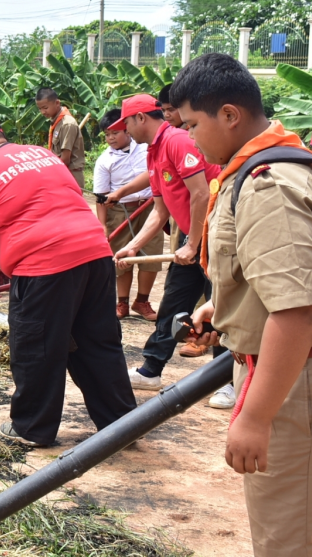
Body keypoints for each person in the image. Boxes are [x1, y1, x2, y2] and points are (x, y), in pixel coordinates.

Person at [176, 53, 312, 557]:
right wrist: (218, 310)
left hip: (304, 376)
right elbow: (267, 274)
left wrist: (255, 417)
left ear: (229, 115)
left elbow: (298, 310)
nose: (189, 138)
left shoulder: (268, 184)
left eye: (192, 124)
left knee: (282, 533)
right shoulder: (269, 164)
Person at [0, 116, 136, 447]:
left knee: (36, 347)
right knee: (97, 344)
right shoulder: (43, 154)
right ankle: (122, 425)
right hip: (95, 255)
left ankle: (32, 428)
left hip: (44, 265)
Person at [110, 93, 225, 394]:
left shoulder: (177, 141)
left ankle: (230, 381)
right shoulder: (153, 151)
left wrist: (194, 244)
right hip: (194, 237)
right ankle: (151, 370)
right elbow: (160, 210)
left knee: (223, 306)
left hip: (216, 236)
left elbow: (202, 195)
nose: (125, 131)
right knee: (174, 303)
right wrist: (133, 246)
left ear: (140, 118)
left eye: (126, 124)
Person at [94, 108, 162, 321]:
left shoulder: (146, 148)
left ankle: (142, 301)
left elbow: (155, 173)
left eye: (115, 132)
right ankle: (122, 302)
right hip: (121, 212)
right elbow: (101, 196)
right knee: (122, 258)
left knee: (150, 255)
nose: (111, 138)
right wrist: (103, 225)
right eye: (107, 134)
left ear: (128, 130)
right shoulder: (104, 161)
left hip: (150, 208)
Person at [35, 87, 86, 189]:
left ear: (57, 103)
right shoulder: (55, 121)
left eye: (45, 108)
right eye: (40, 109)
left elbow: (65, 159)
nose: (42, 112)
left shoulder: (67, 124)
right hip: (60, 171)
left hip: (70, 175)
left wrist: (48, 173)